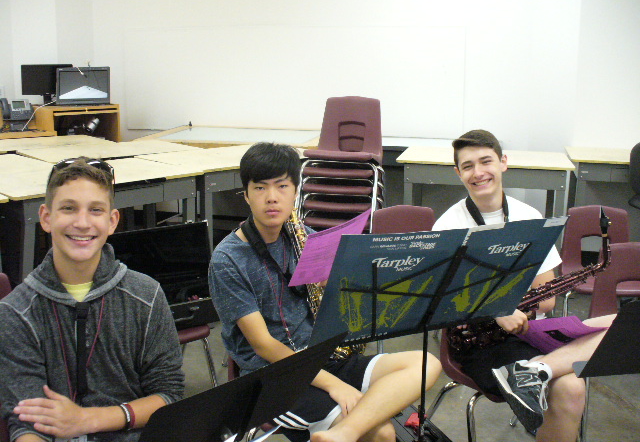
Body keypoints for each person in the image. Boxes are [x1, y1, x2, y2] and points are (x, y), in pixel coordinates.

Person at [209, 142, 441, 442]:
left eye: (282, 186)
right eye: (260, 188)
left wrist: (337, 287)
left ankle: (344, 432)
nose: (272, 197)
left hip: (322, 358)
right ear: (246, 195)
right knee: (381, 434)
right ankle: (345, 431)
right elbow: (264, 346)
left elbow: (345, 304)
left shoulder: (305, 238)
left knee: (426, 363)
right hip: (274, 378)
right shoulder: (227, 259)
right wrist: (335, 385)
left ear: (296, 192)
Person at [432, 129, 615, 441]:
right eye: (467, 166)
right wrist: (495, 310)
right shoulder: (448, 226)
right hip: (479, 343)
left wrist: (510, 308)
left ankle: (537, 370)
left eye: (486, 161)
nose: (478, 172)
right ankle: (537, 371)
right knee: (571, 387)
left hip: (529, 330)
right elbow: (440, 303)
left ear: (503, 162)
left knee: (615, 324)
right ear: (457, 173)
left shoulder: (528, 216)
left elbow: (547, 300)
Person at [0, 157, 185, 442]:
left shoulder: (146, 297)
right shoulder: (16, 312)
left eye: (95, 210)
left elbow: (168, 395)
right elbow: (26, 423)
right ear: (46, 218)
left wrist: (88, 420)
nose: (82, 223)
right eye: (68, 208)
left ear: (112, 221)